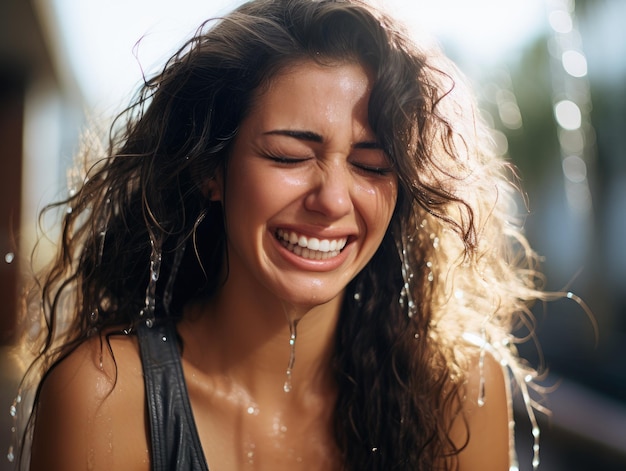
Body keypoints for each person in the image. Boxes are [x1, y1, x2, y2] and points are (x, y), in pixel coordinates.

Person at [11, 0, 547, 469]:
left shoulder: (458, 392)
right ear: (210, 169)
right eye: (288, 156)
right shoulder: (106, 397)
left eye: (371, 165)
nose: (333, 200)